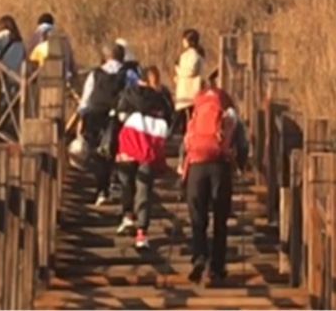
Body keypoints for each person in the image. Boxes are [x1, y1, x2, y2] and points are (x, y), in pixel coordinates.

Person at [180, 69, 248, 287]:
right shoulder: (228, 111)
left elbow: (186, 143)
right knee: (220, 219)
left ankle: (199, 257)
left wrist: (182, 172)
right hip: (220, 165)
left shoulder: (196, 111)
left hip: (197, 166)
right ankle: (216, 269)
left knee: (198, 218)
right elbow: (243, 144)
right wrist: (241, 164)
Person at [113, 65, 174, 250]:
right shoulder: (160, 98)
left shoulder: (128, 93)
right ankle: (142, 233)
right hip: (149, 150)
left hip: (127, 146)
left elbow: (119, 115)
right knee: (144, 190)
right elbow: (169, 122)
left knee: (126, 183)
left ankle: (127, 215)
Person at [77, 43, 134, 208]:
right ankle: (117, 184)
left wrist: (81, 118)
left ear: (105, 56)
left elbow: (86, 99)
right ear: (121, 56)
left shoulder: (95, 74)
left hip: (96, 117)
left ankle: (102, 190)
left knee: (99, 155)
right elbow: (135, 95)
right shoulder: (128, 73)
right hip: (119, 118)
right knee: (118, 151)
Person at [26, 12, 77, 84]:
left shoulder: (35, 38)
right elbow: (72, 64)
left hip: (42, 79)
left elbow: (30, 61)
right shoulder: (64, 39)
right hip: (63, 78)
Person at [172, 28, 206, 137]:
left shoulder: (192, 55)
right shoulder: (190, 54)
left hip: (188, 93)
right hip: (187, 91)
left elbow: (190, 71)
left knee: (183, 119)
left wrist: (178, 70)